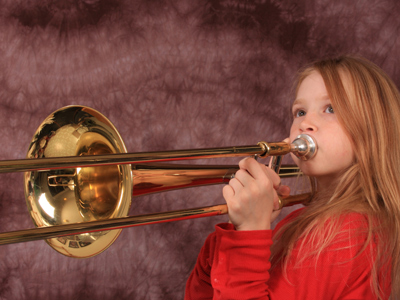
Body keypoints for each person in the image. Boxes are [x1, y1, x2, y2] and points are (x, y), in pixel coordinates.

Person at [184, 55, 400, 299]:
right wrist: (237, 233)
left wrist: (249, 233)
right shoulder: (302, 221)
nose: (305, 123)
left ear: (374, 131)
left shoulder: (348, 232)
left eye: (330, 109)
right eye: (300, 111)